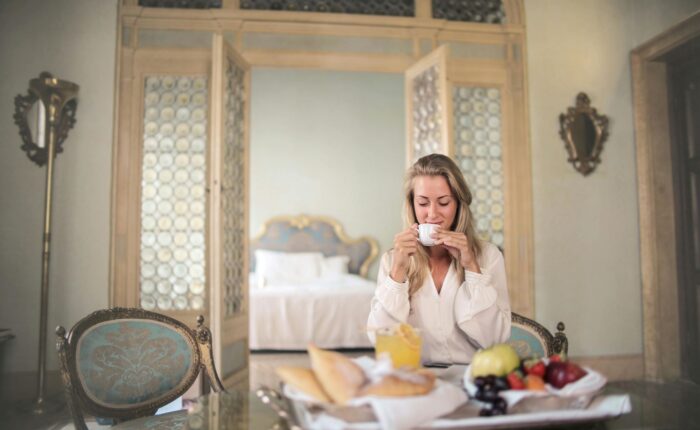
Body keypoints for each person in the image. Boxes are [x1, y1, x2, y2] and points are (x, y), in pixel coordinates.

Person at [367, 153, 511, 365]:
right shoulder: (392, 260)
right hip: (416, 378)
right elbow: (379, 339)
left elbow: (494, 340)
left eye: (443, 202)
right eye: (423, 203)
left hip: (473, 378)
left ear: (459, 205)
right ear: (412, 205)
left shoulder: (488, 256)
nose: (432, 214)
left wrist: (471, 267)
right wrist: (398, 270)